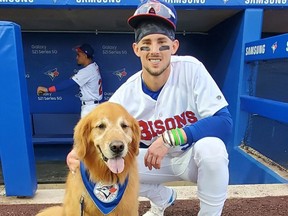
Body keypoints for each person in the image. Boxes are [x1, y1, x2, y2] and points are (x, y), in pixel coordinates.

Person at [67, 0, 233, 215]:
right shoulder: (125, 94)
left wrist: (170, 137)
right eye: (147, 43)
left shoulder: (191, 69)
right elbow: (96, 130)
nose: (154, 51)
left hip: (189, 158)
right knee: (102, 165)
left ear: (174, 47)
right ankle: (162, 198)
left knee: (213, 149)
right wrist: (76, 152)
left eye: (162, 42)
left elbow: (225, 123)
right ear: (137, 49)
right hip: (153, 162)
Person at [37, 43, 103, 118]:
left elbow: (67, 84)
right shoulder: (94, 66)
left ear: (85, 55)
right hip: (94, 107)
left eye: (79, 55)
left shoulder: (87, 71)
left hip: (90, 109)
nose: (76, 57)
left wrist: (47, 90)